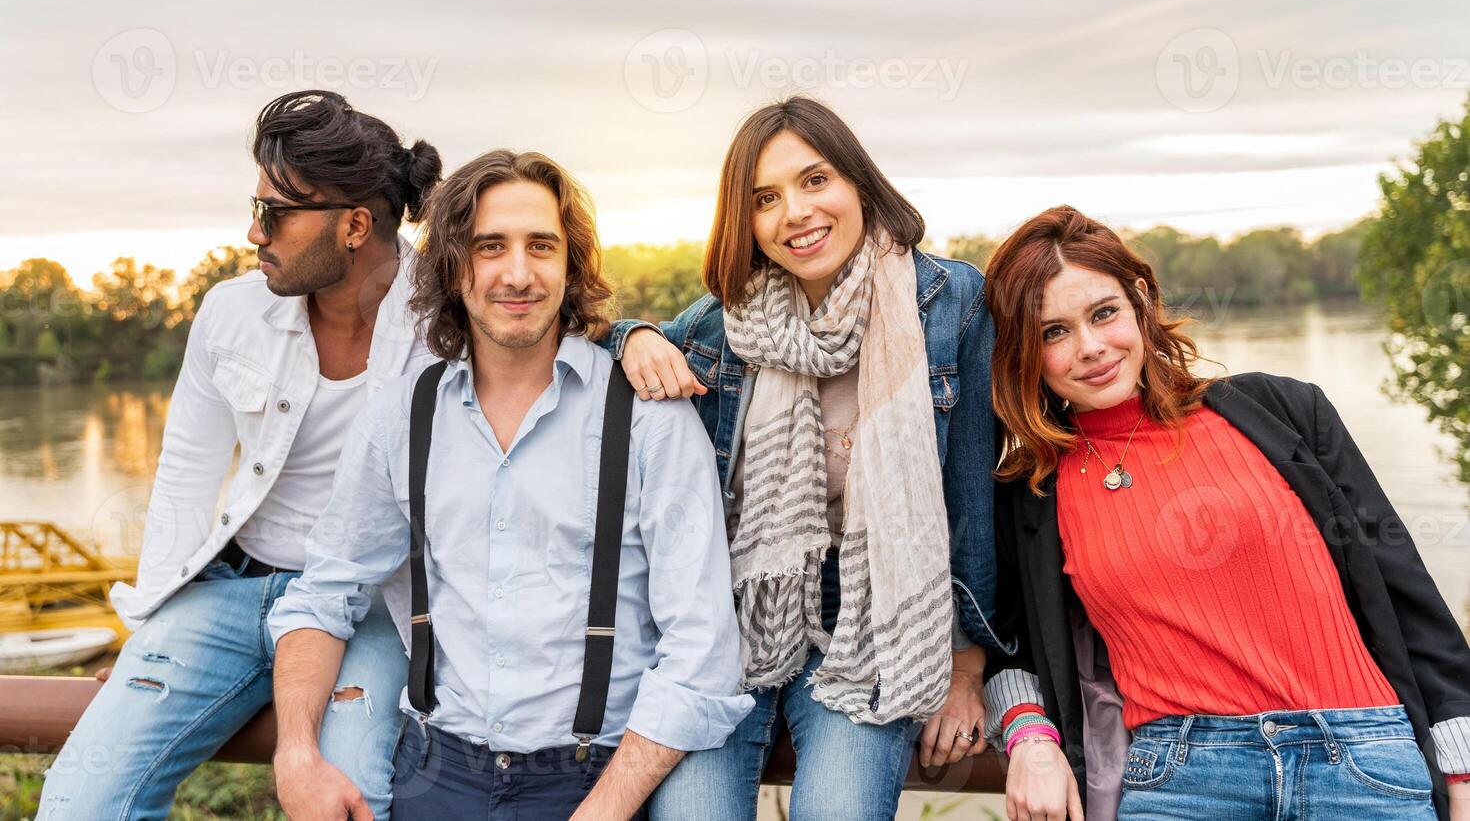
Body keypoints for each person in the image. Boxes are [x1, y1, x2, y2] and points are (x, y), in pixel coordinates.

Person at [268, 150, 752, 820]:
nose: (517, 273)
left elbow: (702, 653)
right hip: (435, 778)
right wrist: (296, 753)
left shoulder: (650, 419)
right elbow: (325, 594)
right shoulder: (400, 413)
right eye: (489, 247)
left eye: (541, 247)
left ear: (570, 265)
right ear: (452, 265)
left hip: (595, 783)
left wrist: (605, 810)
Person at [981, 205, 1470, 821]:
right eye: (1053, 332)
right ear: (1025, 354)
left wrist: (1464, 762)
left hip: (1365, 762)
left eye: (1103, 313)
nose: (1090, 347)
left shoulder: (1285, 412)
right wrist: (1029, 738)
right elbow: (1008, 645)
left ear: (1139, 301)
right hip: (1181, 780)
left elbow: (1408, 595)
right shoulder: (1030, 494)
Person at [37, 91, 443, 820]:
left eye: (277, 213)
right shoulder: (230, 312)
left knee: (351, 801)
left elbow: (569, 328)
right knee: (79, 805)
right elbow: (185, 479)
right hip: (229, 591)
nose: (255, 233)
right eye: (253, 207)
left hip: (373, 608)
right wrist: (149, 629)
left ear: (355, 225)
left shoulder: (448, 319)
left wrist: (636, 338)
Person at [602, 97, 1006, 820]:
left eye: (814, 180)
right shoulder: (721, 324)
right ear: (746, 221)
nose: (795, 212)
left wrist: (966, 666)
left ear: (857, 183)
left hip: (881, 626)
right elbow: (594, 343)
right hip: (735, 627)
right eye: (765, 198)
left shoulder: (949, 304)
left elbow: (973, 501)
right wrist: (631, 336)